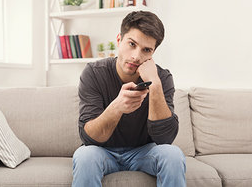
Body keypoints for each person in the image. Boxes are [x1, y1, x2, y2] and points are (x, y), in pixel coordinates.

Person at [72, 11, 186, 187]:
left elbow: (166, 139)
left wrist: (154, 85)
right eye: (132, 44)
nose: (136, 56)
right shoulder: (94, 73)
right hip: (103, 152)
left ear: (153, 52)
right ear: (119, 40)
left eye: (146, 50)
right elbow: (89, 138)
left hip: (144, 152)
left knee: (173, 155)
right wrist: (117, 107)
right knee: (84, 156)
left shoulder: (161, 77)